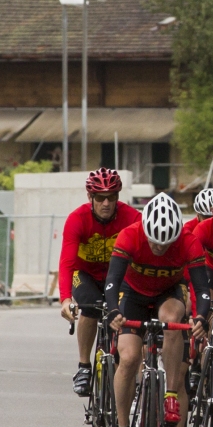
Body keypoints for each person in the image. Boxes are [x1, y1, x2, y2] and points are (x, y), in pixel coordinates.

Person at [100, 192, 212, 427]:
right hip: (132, 295)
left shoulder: (188, 241)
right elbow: (112, 280)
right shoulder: (130, 235)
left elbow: (202, 288)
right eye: (154, 242)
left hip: (167, 293)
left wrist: (201, 317)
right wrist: (113, 311)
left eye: (166, 243)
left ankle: (171, 395)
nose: (160, 248)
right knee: (128, 358)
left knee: (173, 320)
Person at [56, 169, 138, 396]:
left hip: (118, 276)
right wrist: (65, 300)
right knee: (90, 307)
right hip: (86, 274)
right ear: (90, 197)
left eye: (111, 197)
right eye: (100, 198)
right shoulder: (77, 219)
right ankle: (84, 366)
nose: (106, 203)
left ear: (118, 197)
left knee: (125, 310)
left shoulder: (132, 218)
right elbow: (66, 262)